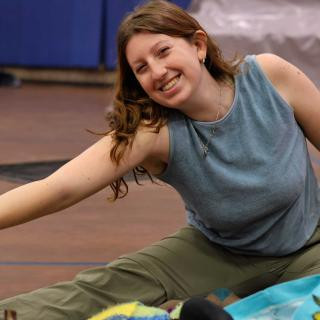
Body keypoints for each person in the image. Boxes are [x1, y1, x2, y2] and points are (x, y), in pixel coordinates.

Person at [0, 0, 319, 319]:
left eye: (163, 51)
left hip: (310, 245)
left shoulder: (270, 77)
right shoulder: (153, 131)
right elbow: (59, 189)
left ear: (198, 45)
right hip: (219, 252)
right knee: (106, 286)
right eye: (141, 68)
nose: (157, 71)